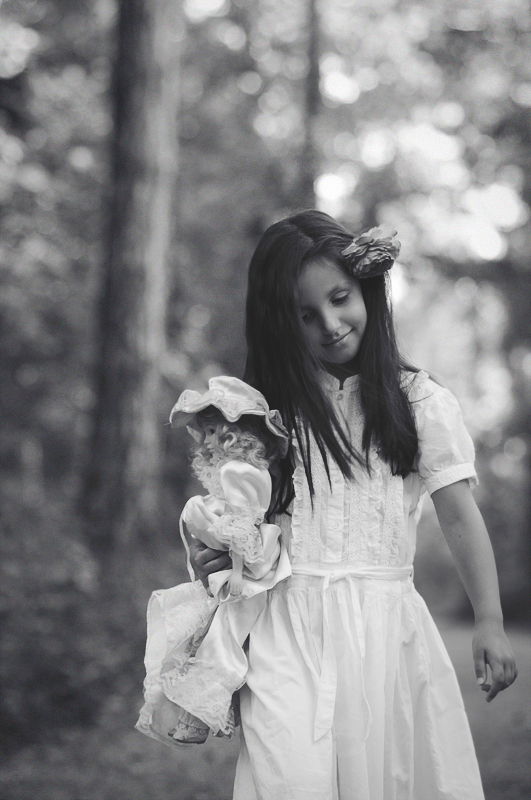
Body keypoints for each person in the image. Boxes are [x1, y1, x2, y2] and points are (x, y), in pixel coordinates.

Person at [190, 211, 517, 800]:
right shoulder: (264, 416)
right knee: (288, 778)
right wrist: (217, 559)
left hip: (386, 631)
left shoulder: (418, 401)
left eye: (340, 298)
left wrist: (489, 618)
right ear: (278, 322)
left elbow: (457, 513)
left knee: (388, 775)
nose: (331, 324)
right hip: (287, 632)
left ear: (366, 288)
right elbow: (242, 523)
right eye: (305, 314)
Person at [135, 376, 291, 747]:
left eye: (210, 431)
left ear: (233, 434)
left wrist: (236, 571)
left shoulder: (236, 472)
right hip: (246, 549)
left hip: (245, 555)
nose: (204, 441)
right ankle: (211, 711)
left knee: (218, 633)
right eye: (203, 432)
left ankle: (204, 714)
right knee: (215, 630)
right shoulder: (249, 470)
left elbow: (240, 524)